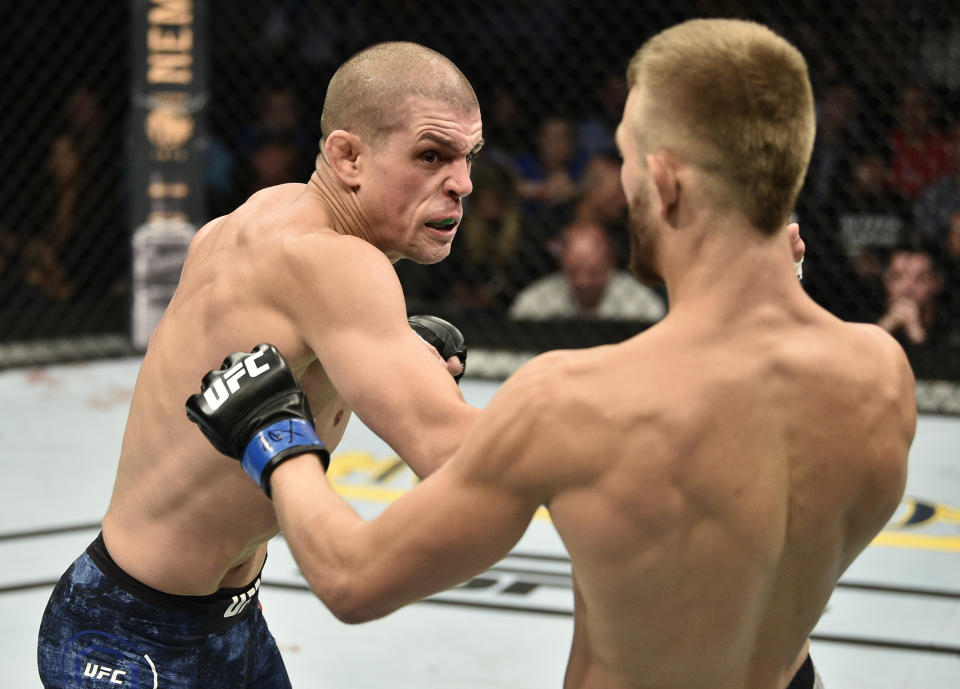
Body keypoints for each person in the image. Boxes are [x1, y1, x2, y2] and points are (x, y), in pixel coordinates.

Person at [185, 19, 915, 689]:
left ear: (661, 181)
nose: (616, 178)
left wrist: (276, 437)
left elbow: (352, 576)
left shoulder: (577, 400)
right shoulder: (881, 378)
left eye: (624, 157)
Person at [37, 41, 484, 689]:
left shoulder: (262, 214)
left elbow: (265, 341)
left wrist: (385, 350)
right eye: (431, 155)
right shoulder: (340, 268)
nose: (463, 182)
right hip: (134, 646)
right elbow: (465, 467)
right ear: (348, 155)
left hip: (213, 621)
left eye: (468, 157)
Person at [509, 219, 665, 321]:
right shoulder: (536, 301)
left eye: (594, 272)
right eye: (573, 272)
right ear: (562, 266)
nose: (583, 282)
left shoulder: (639, 303)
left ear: (610, 265)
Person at [876, 242, 950, 346]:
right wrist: (884, 328)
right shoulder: (865, 319)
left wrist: (915, 332)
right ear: (886, 281)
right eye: (897, 277)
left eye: (920, 278)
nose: (906, 288)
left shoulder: (950, 327)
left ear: (936, 283)